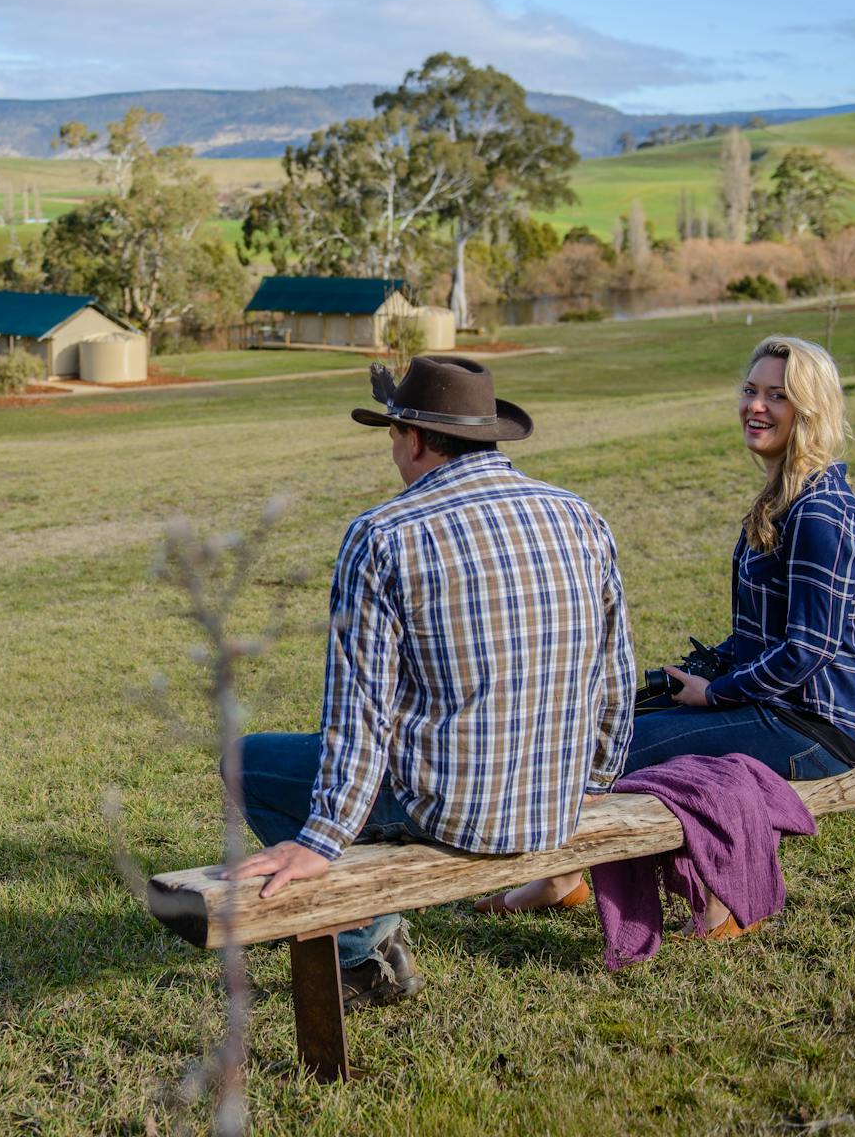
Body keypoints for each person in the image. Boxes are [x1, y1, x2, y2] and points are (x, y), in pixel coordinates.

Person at [221, 355, 635, 1009]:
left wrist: (320, 838)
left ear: (414, 439)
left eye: (392, 435)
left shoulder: (381, 534)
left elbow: (360, 715)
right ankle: (364, 937)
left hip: (453, 812)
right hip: (557, 801)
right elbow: (615, 674)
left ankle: (363, 952)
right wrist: (593, 783)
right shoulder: (579, 515)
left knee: (248, 761)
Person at [497, 334, 855, 932]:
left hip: (817, 724)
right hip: (776, 702)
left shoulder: (819, 512)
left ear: (810, 410)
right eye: (751, 390)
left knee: (612, 751)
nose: (756, 406)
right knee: (611, 725)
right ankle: (564, 877)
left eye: (777, 396)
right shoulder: (785, 497)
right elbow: (761, 636)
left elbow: (811, 648)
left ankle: (614, 882)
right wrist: (701, 672)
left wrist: (715, 695)